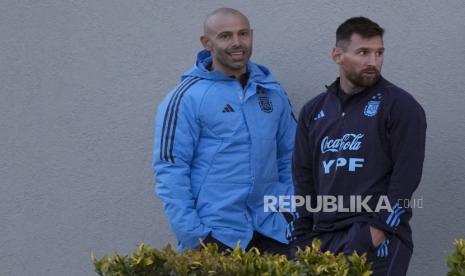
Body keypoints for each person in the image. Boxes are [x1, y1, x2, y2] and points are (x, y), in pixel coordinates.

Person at [152, 8, 296, 256]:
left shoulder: (272, 92)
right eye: (225, 36)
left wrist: (291, 213)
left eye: (243, 34)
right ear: (207, 43)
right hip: (216, 236)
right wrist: (195, 236)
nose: (237, 43)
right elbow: (170, 170)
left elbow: (291, 156)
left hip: (272, 230)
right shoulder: (186, 97)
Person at [290, 17, 426, 275]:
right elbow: (303, 177)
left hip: (374, 237)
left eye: (379, 53)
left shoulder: (400, 105)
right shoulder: (314, 110)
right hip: (322, 240)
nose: (373, 62)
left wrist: (377, 232)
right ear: (337, 55)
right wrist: (301, 237)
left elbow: (405, 179)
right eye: (363, 52)